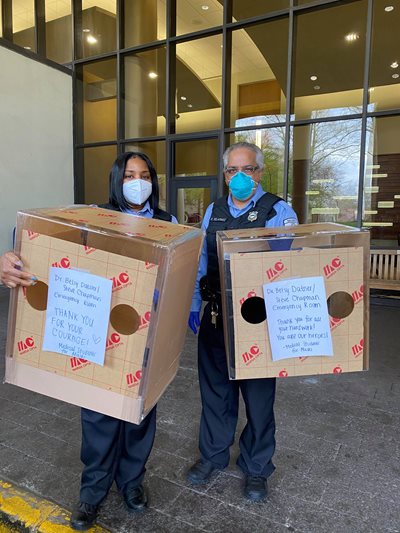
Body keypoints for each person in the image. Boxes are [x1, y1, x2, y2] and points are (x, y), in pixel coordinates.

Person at [0, 151, 177, 531]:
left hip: (146, 330)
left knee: (139, 414)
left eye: (144, 175)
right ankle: (92, 492)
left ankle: (132, 482)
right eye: (130, 174)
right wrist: (12, 255)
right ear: (117, 179)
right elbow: (38, 235)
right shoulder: (95, 218)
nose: (138, 182)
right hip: (97, 326)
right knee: (97, 413)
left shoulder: (167, 223)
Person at [187, 142, 298, 502]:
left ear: (259, 173)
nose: (239, 177)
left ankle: (256, 467)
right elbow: (200, 261)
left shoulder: (278, 212)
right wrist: (193, 306)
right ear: (224, 175)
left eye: (247, 169)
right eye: (232, 170)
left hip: (258, 319)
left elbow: (291, 269)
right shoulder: (213, 211)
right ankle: (214, 456)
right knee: (216, 393)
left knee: (259, 398)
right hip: (217, 317)